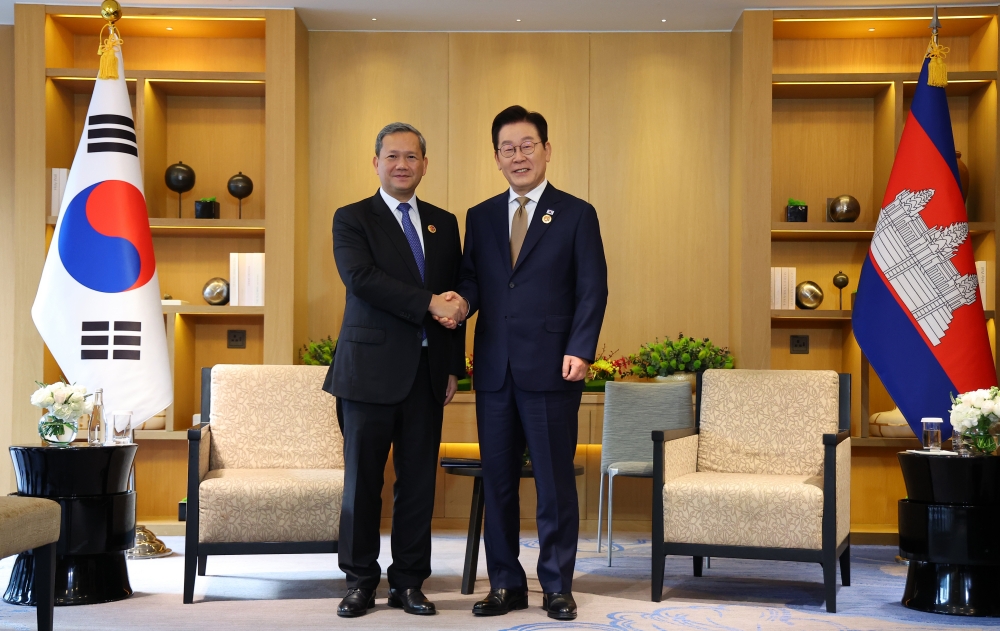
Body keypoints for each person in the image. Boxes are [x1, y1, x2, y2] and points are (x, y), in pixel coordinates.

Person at [442, 105, 608, 620]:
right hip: (494, 370)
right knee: (498, 482)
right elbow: (473, 280)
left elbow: (592, 288)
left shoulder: (576, 213)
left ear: (546, 150)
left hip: (553, 367)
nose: (518, 156)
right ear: (496, 157)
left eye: (527, 145)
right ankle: (506, 584)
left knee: (555, 483)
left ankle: (556, 584)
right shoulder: (481, 216)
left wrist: (581, 348)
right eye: (508, 148)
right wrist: (460, 302)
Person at [323, 122, 467, 618]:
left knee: (418, 485)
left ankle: (408, 582)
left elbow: (453, 296)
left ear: (425, 164)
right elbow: (361, 279)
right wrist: (429, 302)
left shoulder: (444, 223)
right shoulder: (352, 218)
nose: (402, 165)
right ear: (376, 163)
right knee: (363, 484)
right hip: (367, 374)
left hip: (427, 374)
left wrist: (452, 366)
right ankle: (359, 580)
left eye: (411, 157)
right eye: (392, 156)